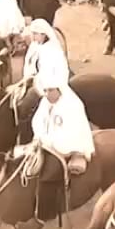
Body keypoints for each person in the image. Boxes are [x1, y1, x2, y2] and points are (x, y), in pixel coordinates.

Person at [21, 68, 96, 212]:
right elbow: (37, 122)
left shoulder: (72, 105)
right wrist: (40, 138)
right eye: (45, 90)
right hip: (44, 144)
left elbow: (72, 134)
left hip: (65, 148)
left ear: (59, 89)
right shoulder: (46, 102)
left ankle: (48, 210)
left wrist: (48, 142)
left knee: (49, 173)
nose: (47, 94)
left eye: (50, 90)